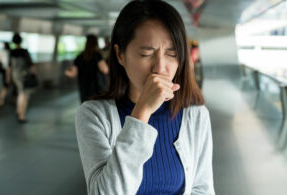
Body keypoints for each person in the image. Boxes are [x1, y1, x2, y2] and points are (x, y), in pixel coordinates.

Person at [75, 0, 215, 194]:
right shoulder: (94, 115)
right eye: (146, 53)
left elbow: (202, 188)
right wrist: (142, 112)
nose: (160, 68)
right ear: (120, 55)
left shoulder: (196, 115)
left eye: (172, 54)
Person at [65, 34, 109, 102]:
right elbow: (105, 70)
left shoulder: (80, 57)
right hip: (97, 89)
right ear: (96, 43)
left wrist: (66, 71)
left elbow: (73, 74)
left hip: (84, 90)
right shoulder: (97, 56)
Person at [10, 33, 36, 123]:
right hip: (23, 75)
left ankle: (18, 111)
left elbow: (9, 66)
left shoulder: (11, 52)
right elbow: (31, 65)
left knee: (19, 92)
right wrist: (34, 75)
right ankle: (22, 115)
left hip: (14, 75)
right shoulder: (24, 51)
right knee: (24, 94)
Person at [0, 42, 11, 108]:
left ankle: (1, 101)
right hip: (7, 72)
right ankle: (1, 101)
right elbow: (8, 66)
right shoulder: (8, 53)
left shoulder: (1, 52)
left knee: (5, 86)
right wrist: (8, 77)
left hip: (3, 71)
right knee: (5, 87)